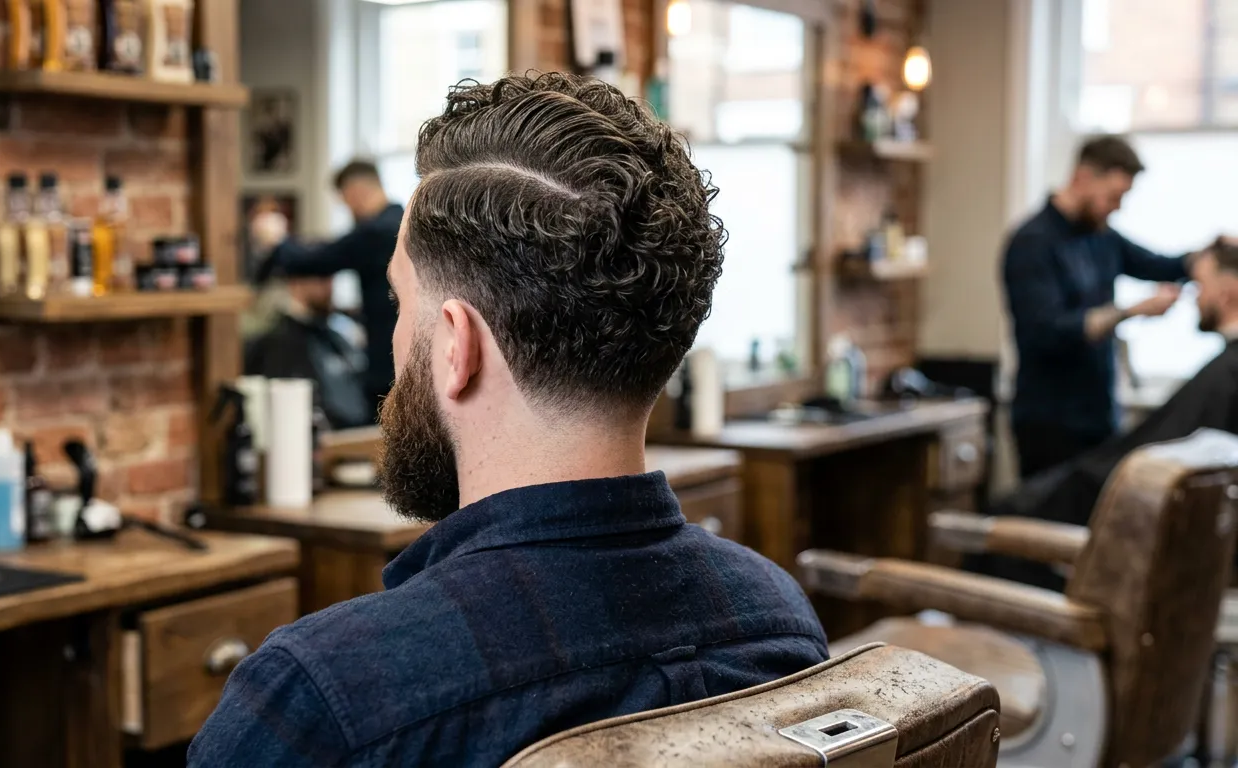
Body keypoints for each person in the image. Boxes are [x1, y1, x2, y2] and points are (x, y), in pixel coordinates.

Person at [189, 73, 828, 767]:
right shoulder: (779, 623)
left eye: (402, 304)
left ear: (456, 345)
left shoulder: (323, 702)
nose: (398, 339)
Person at [981, 240, 1238, 590]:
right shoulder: (1036, 244)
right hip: (1060, 432)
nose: (1193, 297)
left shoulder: (1226, 373)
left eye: (1200, 286)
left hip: (1104, 473)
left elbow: (1158, 263)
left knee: (1005, 518)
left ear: (1226, 293)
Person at [1002, 135, 1213, 479]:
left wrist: (1209, 255)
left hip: (1099, 415)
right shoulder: (1032, 243)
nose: (1118, 207)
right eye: (1114, 196)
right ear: (1083, 177)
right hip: (1049, 423)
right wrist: (1130, 312)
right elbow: (1047, 330)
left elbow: (1160, 265)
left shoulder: (1102, 236)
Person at [252, 160, 401, 412]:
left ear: (354, 192)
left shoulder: (378, 231)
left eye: (345, 201)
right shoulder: (401, 223)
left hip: (389, 362)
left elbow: (317, 260)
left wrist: (275, 241)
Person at [243, 272, 373, 430]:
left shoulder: (337, 335)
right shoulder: (279, 345)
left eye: (331, 277)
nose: (329, 286)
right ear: (295, 284)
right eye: (320, 277)